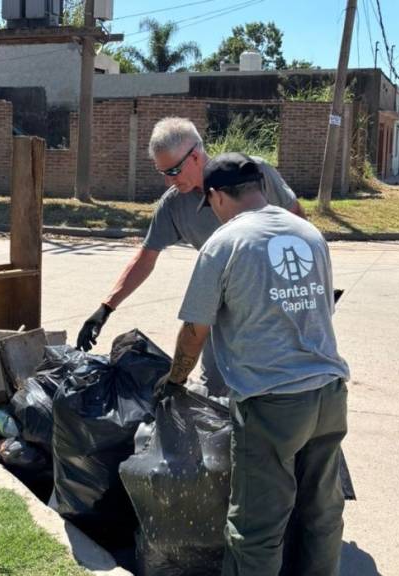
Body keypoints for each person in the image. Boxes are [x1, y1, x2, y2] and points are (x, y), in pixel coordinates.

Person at [155, 153, 350, 576]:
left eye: (211, 204)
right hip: (329, 392)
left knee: (257, 519)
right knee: (321, 505)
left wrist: (175, 379)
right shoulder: (309, 233)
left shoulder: (224, 244)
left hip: (271, 402)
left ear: (217, 196)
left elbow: (195, 330)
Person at [76, 117, 305, 395]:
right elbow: (146, 258)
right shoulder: (175, 204)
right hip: (222, 309)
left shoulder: (250, 173)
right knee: (216, 392)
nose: (168, 180)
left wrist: (307, 284)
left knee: (278, 388)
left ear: (195, 156)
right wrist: (106, 308)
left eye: (173, 171)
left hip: (275, 304)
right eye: (163, 172)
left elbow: (297, 223)